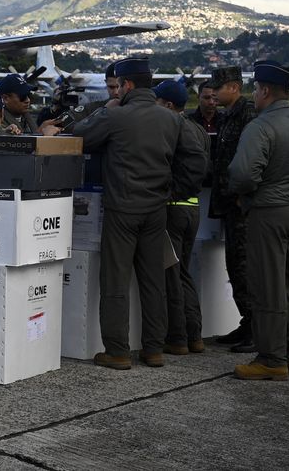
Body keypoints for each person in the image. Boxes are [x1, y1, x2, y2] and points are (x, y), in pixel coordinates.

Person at [72, 57, 184, 370]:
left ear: (128, 85)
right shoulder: (172, 120)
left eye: (119, 85)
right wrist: (172, 191)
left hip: (122, 208)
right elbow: (190, 159)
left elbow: (81, 137)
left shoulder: (116, 116)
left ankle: (118, 351)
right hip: (156, 209)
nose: (117, 90)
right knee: (153, 282)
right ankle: (153, 349)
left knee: (115, 281)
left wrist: (104, 111)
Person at [228, 60, 289, 380]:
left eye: (255, 89)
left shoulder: (261, 126)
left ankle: (271, 359)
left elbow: (242, 174)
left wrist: (248, 194)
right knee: (288, 287)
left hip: (269, 212)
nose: (253, 95)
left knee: (267, 289)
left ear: (265, 90)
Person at [153, 80, 210, 355]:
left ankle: (177, 338)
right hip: (193, 209)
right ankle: (195, 335)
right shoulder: (198, 129)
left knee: (171, 275)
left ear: (167, 105)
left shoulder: (170, 127)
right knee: (185, 273)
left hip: (173, 208)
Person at [207, 66, 257, 353]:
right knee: (234, 267)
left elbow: (251, 159)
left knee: (244, 266)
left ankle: (255, 327)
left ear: (235, 87)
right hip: (228, 203)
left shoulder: (248, 114)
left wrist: (242, 195)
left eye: (219, 86)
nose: (213, 92)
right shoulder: (228, 116)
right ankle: (247, 321)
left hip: (242, 206)